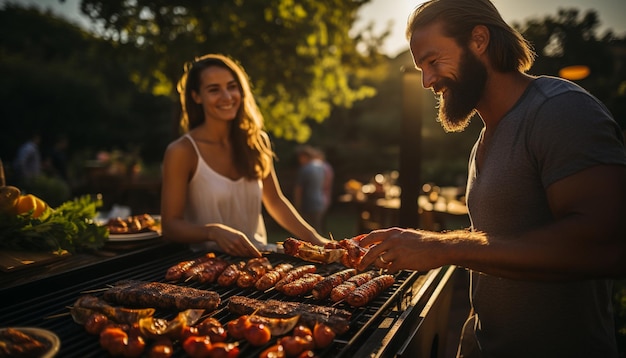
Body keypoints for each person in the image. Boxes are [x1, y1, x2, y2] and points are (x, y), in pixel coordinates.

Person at [357, 1, 626, 357]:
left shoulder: (560, 110)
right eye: (421, 68)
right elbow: (500, 242)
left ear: (479, 40)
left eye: (433, 62)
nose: (427, 81)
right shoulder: (483, 141)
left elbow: (604, 246)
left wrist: (442, 248)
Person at [160, 54, 328, 258]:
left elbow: (275, 201)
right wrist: (212, 231)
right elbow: (170, 225)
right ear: (196, 97)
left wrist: (315, 238)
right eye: (214, 90)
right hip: (205, 267)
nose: (227, 96)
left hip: (258, 263)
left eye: (232, 86)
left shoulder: (256, 141)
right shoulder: (182, 151)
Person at [293, 145, 327, 233]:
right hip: (319, 201)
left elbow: (299, 189)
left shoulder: (305, 169)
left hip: (307, 203)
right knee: (317, 229)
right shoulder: (320, 166)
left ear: (304, 156)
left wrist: (297, 204)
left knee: (305, 231)